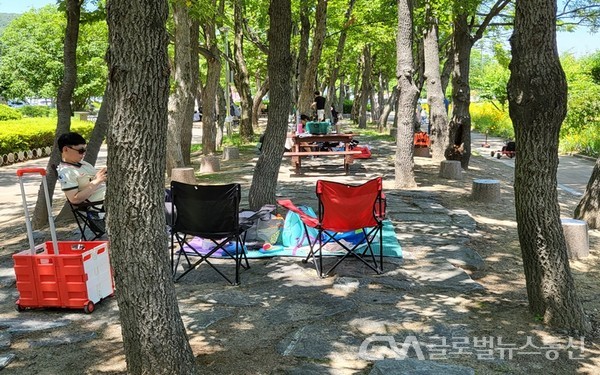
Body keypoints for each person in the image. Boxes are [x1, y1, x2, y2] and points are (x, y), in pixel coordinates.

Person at [57, 132, 106, 205]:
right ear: (66, 149)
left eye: (84, 151)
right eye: (81, 151)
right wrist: (98, 181)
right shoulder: (66, 172)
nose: (83, 154)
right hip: (97, 206)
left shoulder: (84, 164)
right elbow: (74, 199)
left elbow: (95, 180)